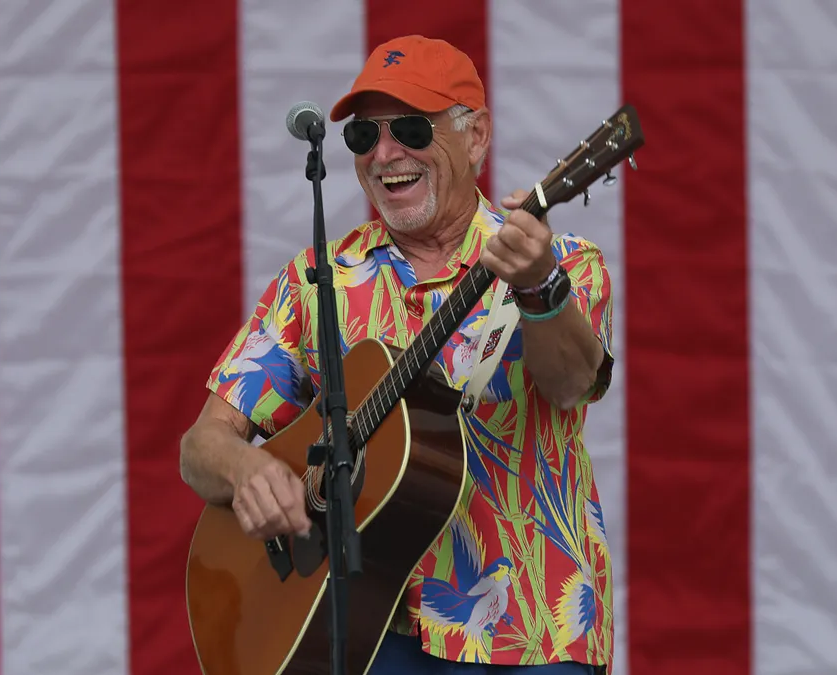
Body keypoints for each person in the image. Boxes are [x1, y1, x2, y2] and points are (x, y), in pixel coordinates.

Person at [179, 35, 615, 675]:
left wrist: (540, 291)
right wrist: (246, 471)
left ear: (476, 137)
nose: (385, 155)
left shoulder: (565, 265)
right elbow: (200, 446)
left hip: (530, 631)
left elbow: (573, 385)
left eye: (411, 128)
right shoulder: (317, 282)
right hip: (365, 635)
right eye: (363, 138)